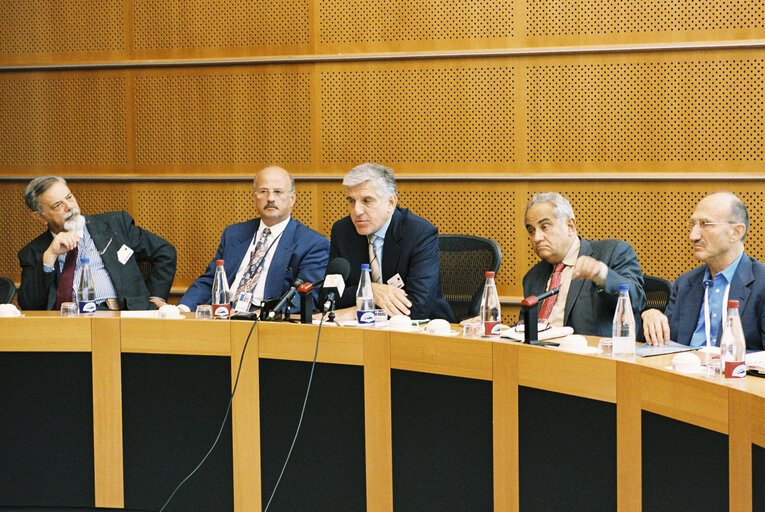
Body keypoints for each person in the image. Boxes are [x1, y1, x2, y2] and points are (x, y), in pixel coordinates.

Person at [179, 166, 329, 314]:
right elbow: (212, 279)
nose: (270, 198)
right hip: (222, 314)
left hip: (266, 321)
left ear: (292, 198)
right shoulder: (234, 234)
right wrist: (182, 309)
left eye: (278, 192)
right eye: (263, 191)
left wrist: (262, 314)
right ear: (254, 197)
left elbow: (303, 297)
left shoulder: (312, 244)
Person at [18, 176, 177, 311]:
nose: (70, 207)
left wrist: (156, 296)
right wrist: (50, 257)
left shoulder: (115, 225)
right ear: (40, 217)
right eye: (58, 205)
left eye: (69, 197)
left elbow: (165, 252)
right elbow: (30, 305)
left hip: (121, 314)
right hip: (69, 325)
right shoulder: (34, 251)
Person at [328, 163, 454, 322]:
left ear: (391, 203)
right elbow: (329, 297)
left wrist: (357, 311)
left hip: (424, 330)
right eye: (351, 201)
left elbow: (417, 307)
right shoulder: (342, 231)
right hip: (359, 334)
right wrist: (371, 291)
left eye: (367, 201)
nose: (357, 211)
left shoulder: (418, 233)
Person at [642, 192, 765, 350]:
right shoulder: (685, 283)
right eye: (693, 224)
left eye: (705, 224)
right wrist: (653, 316)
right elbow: (666, 347)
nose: (692, 236)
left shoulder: (762, 283)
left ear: (736, 232)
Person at [522, 192, 645, 337]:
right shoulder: (532, 277)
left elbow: (636, 300)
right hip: (539, 355)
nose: (536, 238)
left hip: (591, 355)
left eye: (545, 227)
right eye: (531, 231)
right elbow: (525, 329)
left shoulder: (612, 252)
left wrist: (601, 275)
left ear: (570, 226)